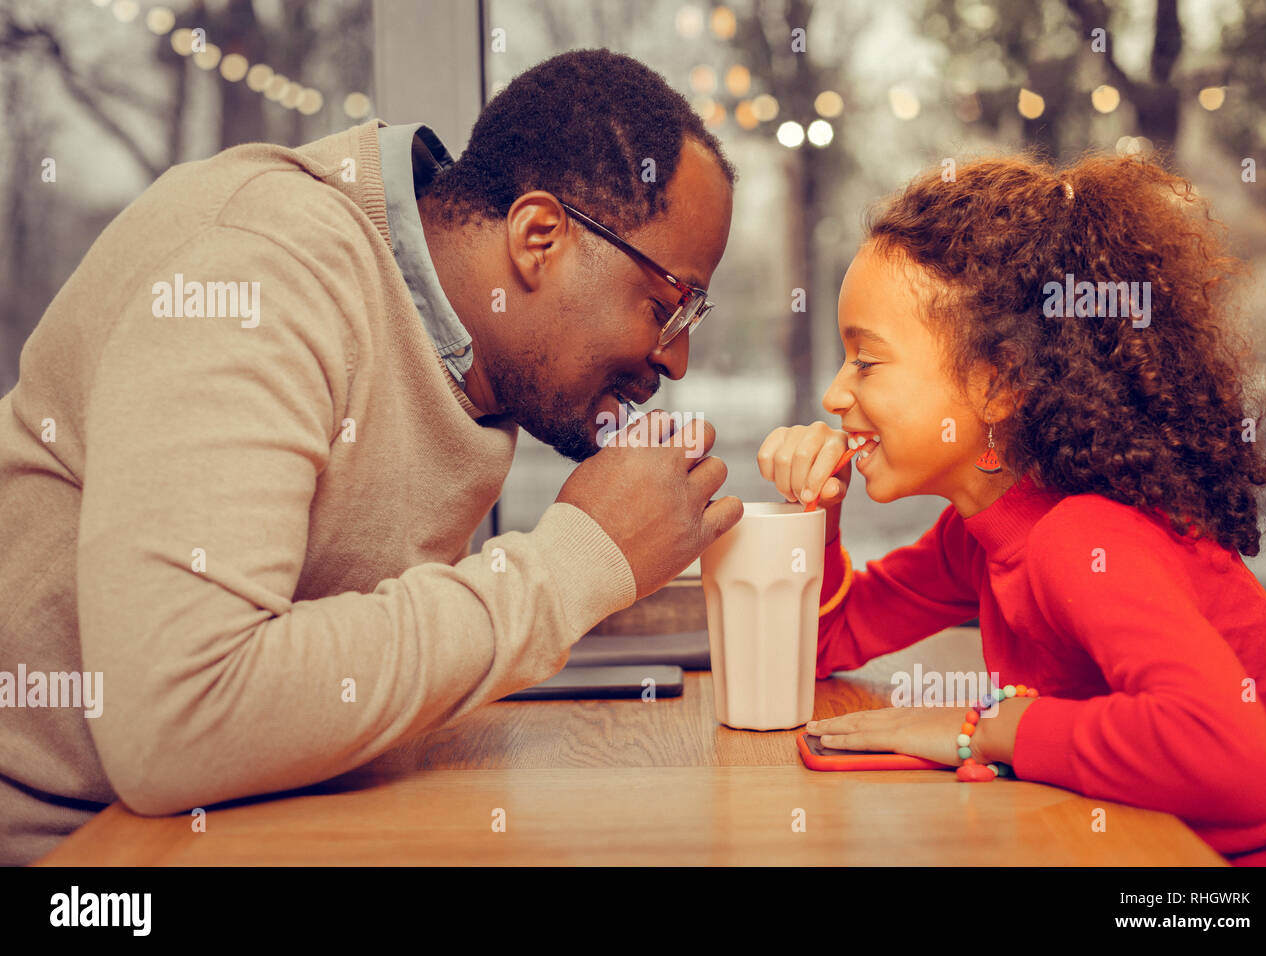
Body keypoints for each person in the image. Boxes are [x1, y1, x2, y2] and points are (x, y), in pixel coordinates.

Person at [0, 49, 742, 865]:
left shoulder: (461, 353)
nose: (675, 363)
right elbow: (181, 720)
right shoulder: (261, 272)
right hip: (74, 853)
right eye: (669, 306)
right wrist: (572, 564)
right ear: (539, 238)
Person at [757, 153, 1266, 866]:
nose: (834, 394)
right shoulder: (978, 534)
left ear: (997, 386)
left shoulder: (1083, 538)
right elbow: (824, 650)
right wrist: (819, 524)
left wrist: (991, 729)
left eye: (866, 360)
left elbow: (1235, 764)